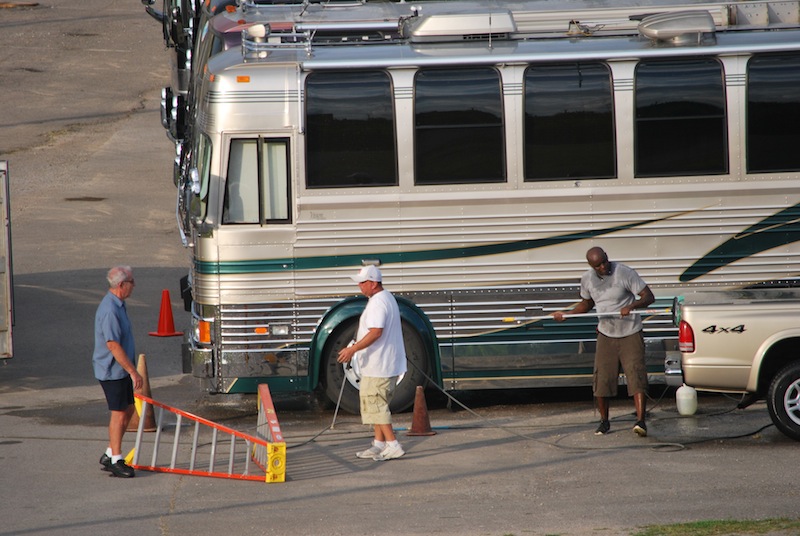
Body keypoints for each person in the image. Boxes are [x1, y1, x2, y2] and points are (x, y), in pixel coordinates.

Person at [552, 247, 655, 437]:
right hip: (606, 333)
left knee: (636, 375)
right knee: (602, 379)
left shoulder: (624, 272)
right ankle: (604, 422)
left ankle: (640, 421)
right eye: (598, 265)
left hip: (630, 331)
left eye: (604, 262)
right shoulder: (587, 279)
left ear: (607, 258)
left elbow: (649, 296)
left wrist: (631, 306)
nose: (603, 267)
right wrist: (567, 314)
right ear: (591, 266)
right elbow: (587, 304)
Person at [337, 265, 407, 461]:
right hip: (386, 363)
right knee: (378, 403)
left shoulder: (378, 302)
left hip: (379, 365)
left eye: (363, 282)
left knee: (376, 405)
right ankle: (379, 444)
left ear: (374, 283)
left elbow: (376, 332)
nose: (360, 286)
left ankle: (393, 444)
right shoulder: (387, 298)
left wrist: (353, 349)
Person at [93, 265, 143, 478]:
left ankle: (109, 452)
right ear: (122, 285)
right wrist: (133, 372)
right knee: (119, 413)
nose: (134, 285)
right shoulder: (110, 310)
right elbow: (113, 345)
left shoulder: (119, 304)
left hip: (119, 370)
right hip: (112, 371)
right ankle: (116, 460)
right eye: (132, 281)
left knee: (129, 409)